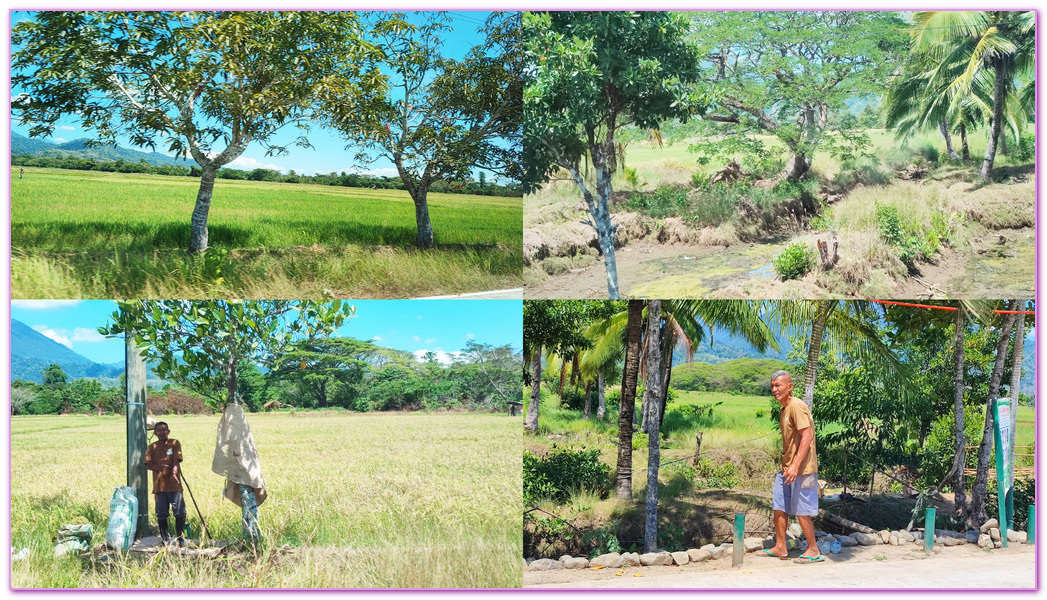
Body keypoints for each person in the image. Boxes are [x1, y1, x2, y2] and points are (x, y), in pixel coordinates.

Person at [762, 370, 823, 564]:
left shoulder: (796, 406)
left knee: (801, 509)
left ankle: (813, 549)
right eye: (772, 386)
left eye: (778, 385)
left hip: (802, 469)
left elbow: (807, 436)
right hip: (787, 468)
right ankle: (781, 547)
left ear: (790, 387)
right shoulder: (783, 409)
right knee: (779, 506)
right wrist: (789, 465)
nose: (774, 389)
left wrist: (796, 465)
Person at [144, 422, 187, 547]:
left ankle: (180, 538)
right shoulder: (152, 447)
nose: (161, 432)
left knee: (179, 512)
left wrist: (174, 474)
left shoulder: (174, 443)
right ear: (155, 433)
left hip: (174, 485)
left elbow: (176, 461)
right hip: (159, 486)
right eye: (159, 430)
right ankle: (165, 538)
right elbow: (148, 464)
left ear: (168, 431)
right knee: (161, 513)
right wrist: (158, 467)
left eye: (164, 430)